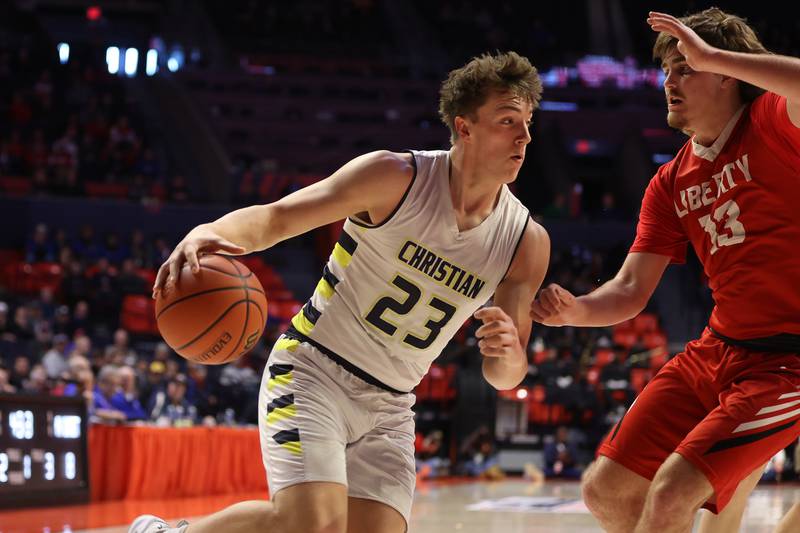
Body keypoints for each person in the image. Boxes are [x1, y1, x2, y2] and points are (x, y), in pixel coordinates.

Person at [130, 50, 550, 533]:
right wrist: (211, 231)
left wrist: (507, 351)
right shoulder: (395, 178)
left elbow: (505, 374)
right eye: (507, 120)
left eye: (528, 122)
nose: (524, 136)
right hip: (315, 371)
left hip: (392, 404)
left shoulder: (526, 242)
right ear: (465, 127)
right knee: (312, 526)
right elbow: (279, 218)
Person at [531, 8, 800, 533]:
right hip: (718, 348)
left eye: (685, 68)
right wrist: (575, 311)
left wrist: (717, 53)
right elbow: (631, 289)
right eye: (668, 71)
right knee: (604, 490)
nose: (669, 82)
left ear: (729, 74)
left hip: (787, 363)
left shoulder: (771, 121)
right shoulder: (670, 181)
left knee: (675, 491)